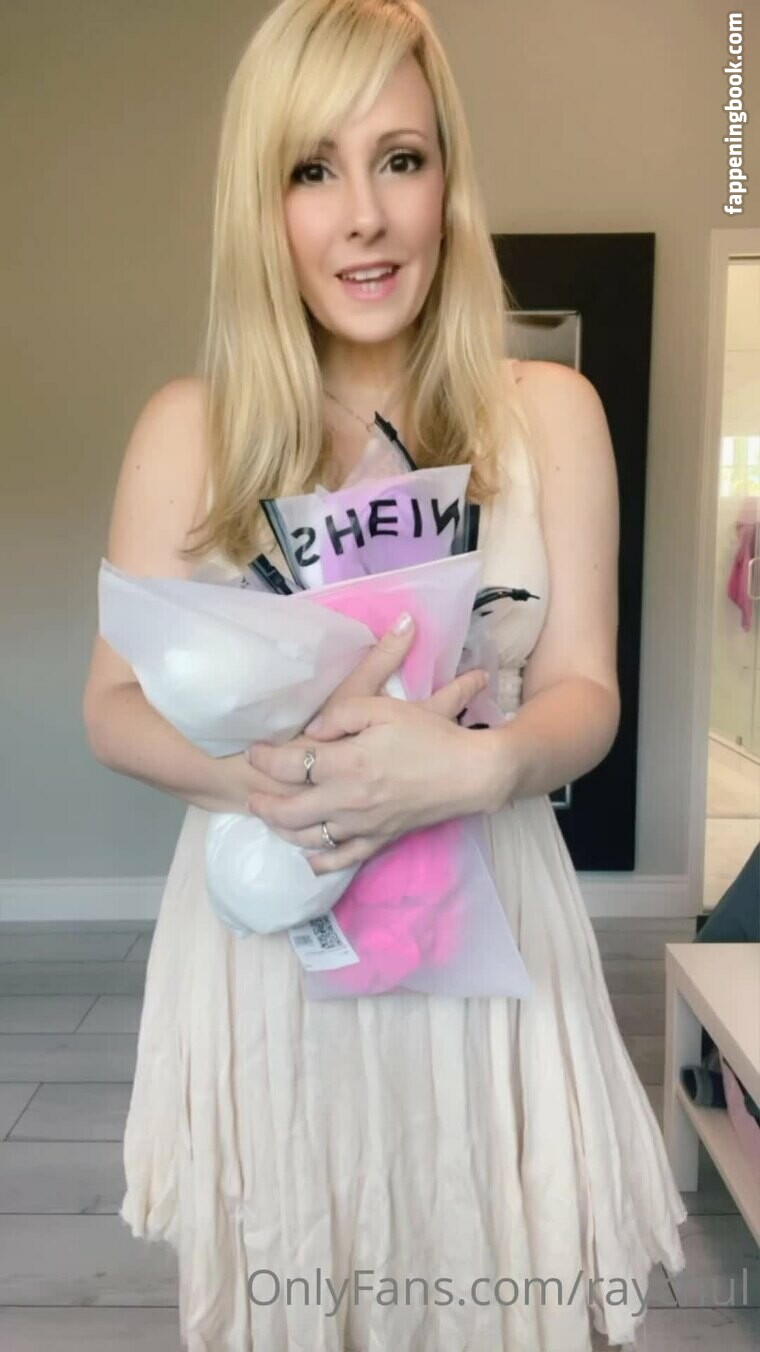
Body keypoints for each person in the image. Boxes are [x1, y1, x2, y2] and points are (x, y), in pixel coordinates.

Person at [82, 1, 687, 1348]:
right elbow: (111, 706)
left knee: (499, 1278)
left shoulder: (548, 416)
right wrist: (275, 776)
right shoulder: (191, 432)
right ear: (264, 205)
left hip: (494, 920)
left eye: (399, 160)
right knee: (306, 1278)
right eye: (314, 168)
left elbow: (586, 690)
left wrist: (478, 765)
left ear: (447, 182)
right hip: (268, 930)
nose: (364, 215)